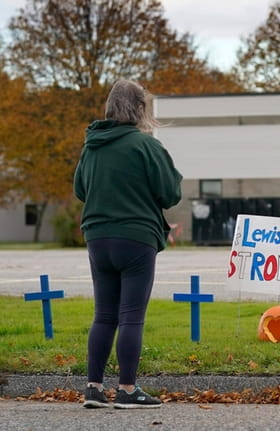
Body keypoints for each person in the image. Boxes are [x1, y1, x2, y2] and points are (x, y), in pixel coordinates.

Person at [74, 79, 183, 409]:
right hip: (135, 237)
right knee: (131, 317)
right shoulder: (145, 145)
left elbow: (81, 190)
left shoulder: (91, 145)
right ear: (140, 109)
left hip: (97, 236)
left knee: (103, 315)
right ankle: (127, 389)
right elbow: (170, 193)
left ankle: (93, 388)